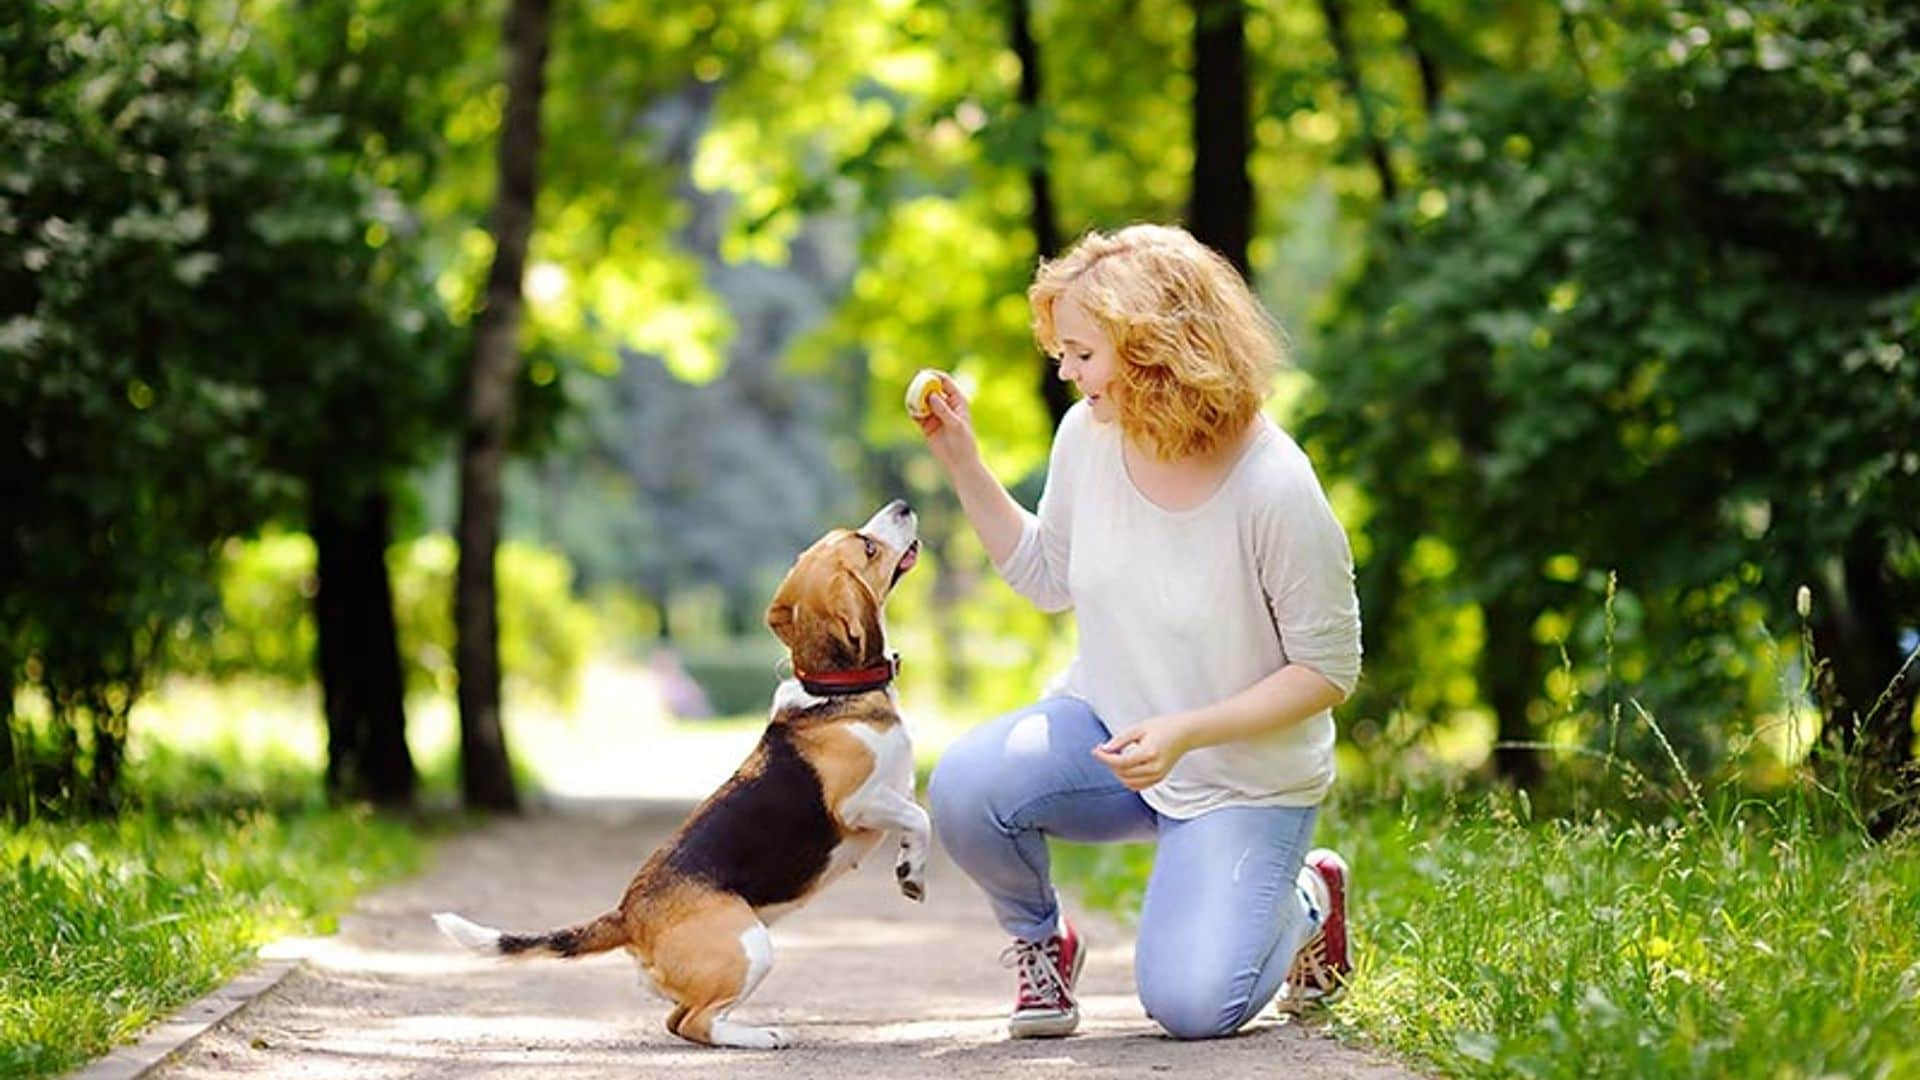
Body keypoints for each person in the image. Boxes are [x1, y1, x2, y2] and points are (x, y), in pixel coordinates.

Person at [913, 224, 1362, 1040]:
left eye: (1081, 352)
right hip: (1111, 735)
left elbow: (1328, 670)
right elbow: (1047, 577)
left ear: (1154, 348)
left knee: (1192, 1008)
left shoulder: (1276, 486)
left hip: (1240, 776)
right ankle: (1042, 945)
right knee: (967, 788)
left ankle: (1308, 897)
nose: (1064, 370)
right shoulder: (1089, 435)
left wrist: (1189, 732)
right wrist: (963, 463)